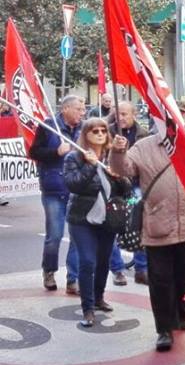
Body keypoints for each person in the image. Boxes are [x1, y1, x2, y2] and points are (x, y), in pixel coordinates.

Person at [110, 125, 185, 351]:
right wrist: (118, 151)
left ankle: (179, 314)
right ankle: (164, 329)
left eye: (182, 114)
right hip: (158, 226)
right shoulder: (144, 146)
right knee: (160, 280)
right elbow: (122, 169)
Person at [63, 118, 130, 327]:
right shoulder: (75, 157)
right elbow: (74, 185)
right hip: (82, 219)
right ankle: (88, 308)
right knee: (87, 261)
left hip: (108, 219)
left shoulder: (111, 157)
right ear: (86, 135)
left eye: (103, 130)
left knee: (103, 261)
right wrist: (90, 166)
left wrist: (118, 177)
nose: (100, 134)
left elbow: (127, 189)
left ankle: (99, 297)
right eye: (95, 131)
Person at [30, 95, 84, 293]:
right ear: (65, 109)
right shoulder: (48, 126)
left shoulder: (83, 128)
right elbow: (34, 152)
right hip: (54, 189)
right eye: (78, 109)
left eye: (83, 109)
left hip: (77, 189)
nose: (82, 113)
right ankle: (49, 270)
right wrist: (56, 152)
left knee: (77, 236)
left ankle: (73, 279)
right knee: (55, 235)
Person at [107, 101, 149, 286]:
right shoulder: (106, 131)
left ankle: (142, 268)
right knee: (113, 226)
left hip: (136, 185)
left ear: (134, 114)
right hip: (113, 186)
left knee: (139, 226)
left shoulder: (143, 134)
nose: (121, 118)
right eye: (118, 114)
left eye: (124, 114)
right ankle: (117, 270)